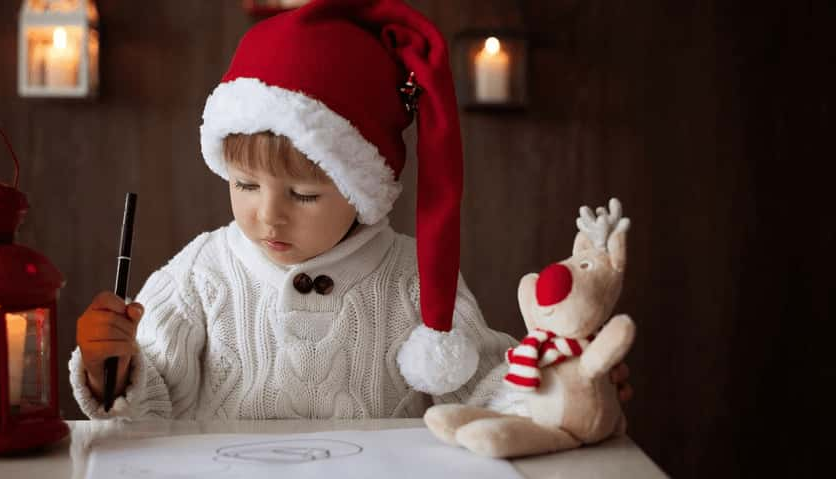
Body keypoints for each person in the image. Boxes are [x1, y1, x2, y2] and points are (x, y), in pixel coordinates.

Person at [70, 0, 631, 420]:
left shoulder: (415, 281)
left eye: (304, 195)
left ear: (363, 189)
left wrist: (564, 383)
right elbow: (146, 409)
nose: (269, 215)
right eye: (243, 184)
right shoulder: (201, 273)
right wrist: (110, 370)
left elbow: (485, 393)